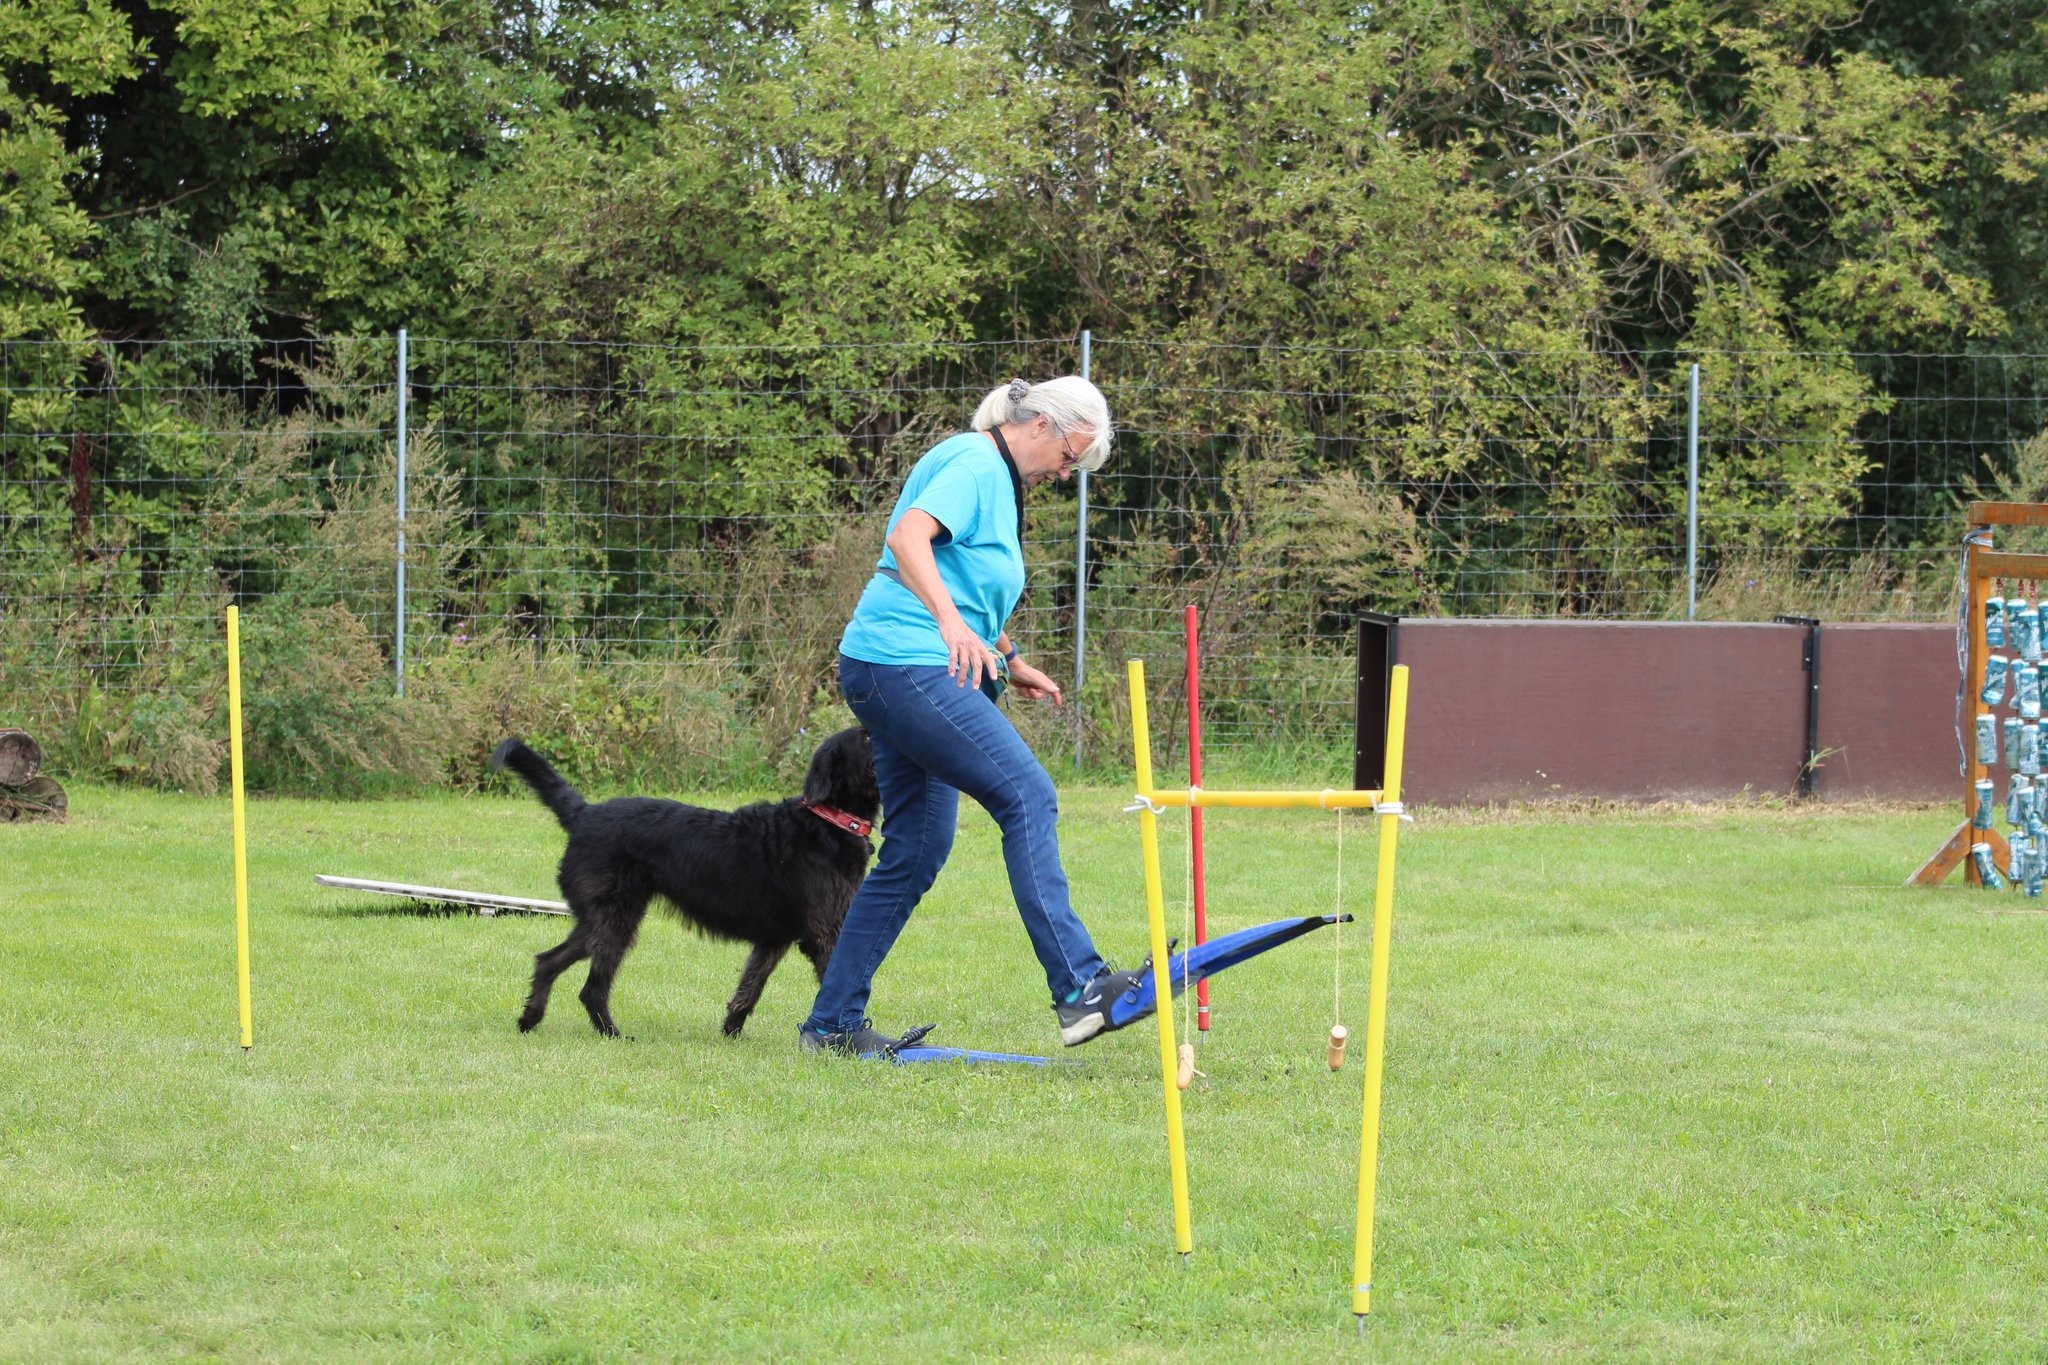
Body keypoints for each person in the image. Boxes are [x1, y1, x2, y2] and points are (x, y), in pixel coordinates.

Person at [798, 376, 1149, 1056]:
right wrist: (950, 623)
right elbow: (908, 538)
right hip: (905, 664)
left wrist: (1009, 656)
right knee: (1027, 795)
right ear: (1042, 423)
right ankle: (1079, 986)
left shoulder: (995, 477)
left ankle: (832, 1024)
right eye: (1070, 455)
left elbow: (965, 579)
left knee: (917, 848)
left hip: (900, 665)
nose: (1066, 472)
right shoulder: (975, 462)